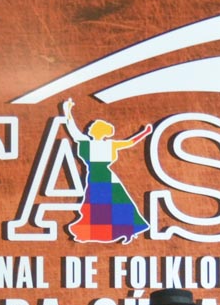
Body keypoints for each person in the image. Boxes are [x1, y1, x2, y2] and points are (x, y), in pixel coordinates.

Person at [61, 97, 153, 245]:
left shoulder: (110, 144)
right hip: (95, 177)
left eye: (93, 127)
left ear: (99, 131)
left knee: (119, 204)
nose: (89, 128)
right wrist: (67, 111)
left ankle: (127, 231)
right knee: (97, 206)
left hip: (106, 177)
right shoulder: (85, 142)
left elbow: (129, 142)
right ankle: (96, 232)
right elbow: (72, 128)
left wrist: (145, 132)